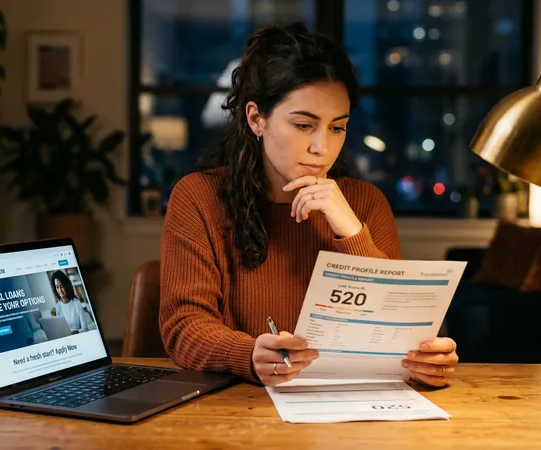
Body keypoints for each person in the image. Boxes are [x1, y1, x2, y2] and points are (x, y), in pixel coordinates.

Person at [158, 23, 458, 387]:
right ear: (256, 119)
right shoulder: (199, 198)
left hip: (349, 404)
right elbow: (184, 327)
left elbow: (392, 331)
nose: (322, 148)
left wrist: (351, 230)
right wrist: (250, 355)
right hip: (240, 404)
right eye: (303, 125)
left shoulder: (365, 203)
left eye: (337, 128)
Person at [50, 270, 92, 334]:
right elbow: (61, 328)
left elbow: (85, 329)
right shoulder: (58, 306)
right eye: (57, 287)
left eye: (62, 286)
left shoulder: (76, 303)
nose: (60, 290)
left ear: (66, 286)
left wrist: (76, 332)